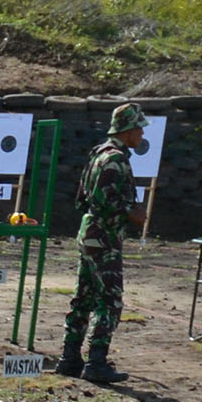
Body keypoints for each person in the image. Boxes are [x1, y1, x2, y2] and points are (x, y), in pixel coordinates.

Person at [60, 102, 145, 383]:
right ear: (128, 129)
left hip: (89, 232)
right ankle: (96, 361)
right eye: (139, 128)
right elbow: (104, 201)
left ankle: (70, 358)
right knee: (109, 300)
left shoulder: (98, 154)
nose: (142, 134)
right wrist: (132, 214)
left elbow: (82, 196)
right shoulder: (116, 159)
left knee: (83, 297)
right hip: (104, 236)